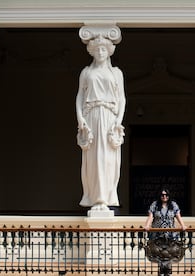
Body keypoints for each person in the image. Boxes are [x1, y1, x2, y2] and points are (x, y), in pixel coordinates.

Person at [75, 35, 126, 211]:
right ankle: (96, 198)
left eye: (103, 49)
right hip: (91, 116)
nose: (100, 52)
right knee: (93, 158)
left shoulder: (116, 73)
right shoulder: (87, 72)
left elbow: (122, 98)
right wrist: (81, 119)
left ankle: (106, 197)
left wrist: (118, 122)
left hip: (110, 117)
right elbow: (80, 96)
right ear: (92, 52)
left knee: (108, 158)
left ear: (109, 51)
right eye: (97, 50)